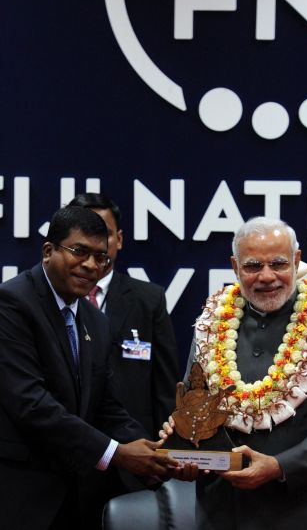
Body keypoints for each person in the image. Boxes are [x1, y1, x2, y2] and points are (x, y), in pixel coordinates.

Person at [0, 206, 190, 530]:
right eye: (79, 251)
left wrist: (157, 455)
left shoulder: (95, 322)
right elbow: (30, 404)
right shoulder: (7, 305)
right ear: (48, 251)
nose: (90, 265)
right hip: (1, 502)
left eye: (101, 257)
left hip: (65, 505)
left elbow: (106, 407)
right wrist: (117, 453)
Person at [183, 216, 307, 530]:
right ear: (235, 266)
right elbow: (196, 407)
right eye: (253, 265)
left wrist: (278, 466)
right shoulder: (210, 323)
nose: (267, 276)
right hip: (222, 513)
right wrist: (185, 444)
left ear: (297, 261)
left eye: (279, 263)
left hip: (304, 513)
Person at [67, 192, 180, 497]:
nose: (94, 245)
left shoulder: (148, 299)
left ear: (118, 239)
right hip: (66, 461)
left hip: (135, 462)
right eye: (82, 237)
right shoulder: (54, 301)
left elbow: (166, 388)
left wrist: (163, 456)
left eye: (102, 232)